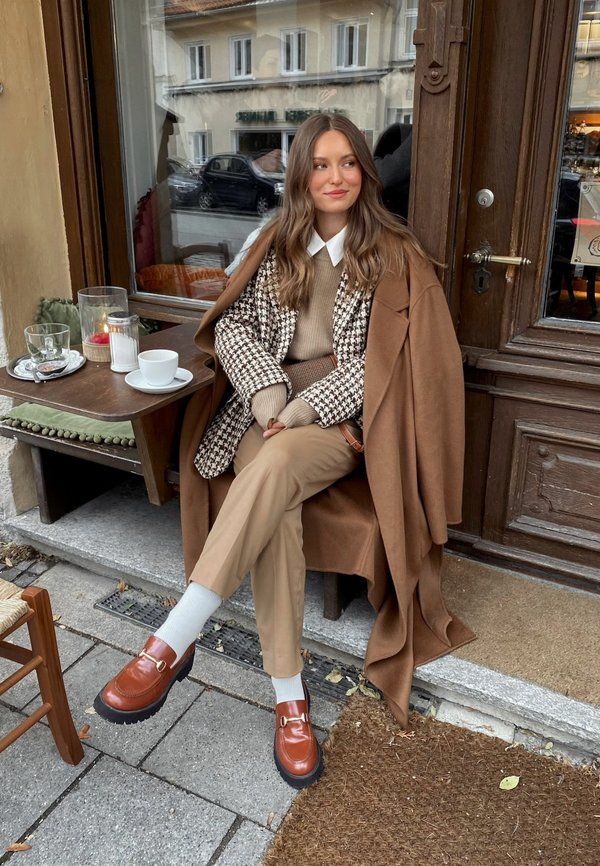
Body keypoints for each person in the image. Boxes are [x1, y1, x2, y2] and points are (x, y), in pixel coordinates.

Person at [94, 113, 474, 790]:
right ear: (300, 174)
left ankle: (170, 640)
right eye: (320, 164)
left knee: (272, 469)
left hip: (335, 427)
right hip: (258, 412)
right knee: (278, 512)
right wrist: (270, 394)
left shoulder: (395, 255)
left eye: (348, 163)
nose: (335, 177)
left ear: (366, 171)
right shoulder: (276, 243)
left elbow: (390, 365)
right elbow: (233, 325)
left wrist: (307, 406)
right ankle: (289, 700)